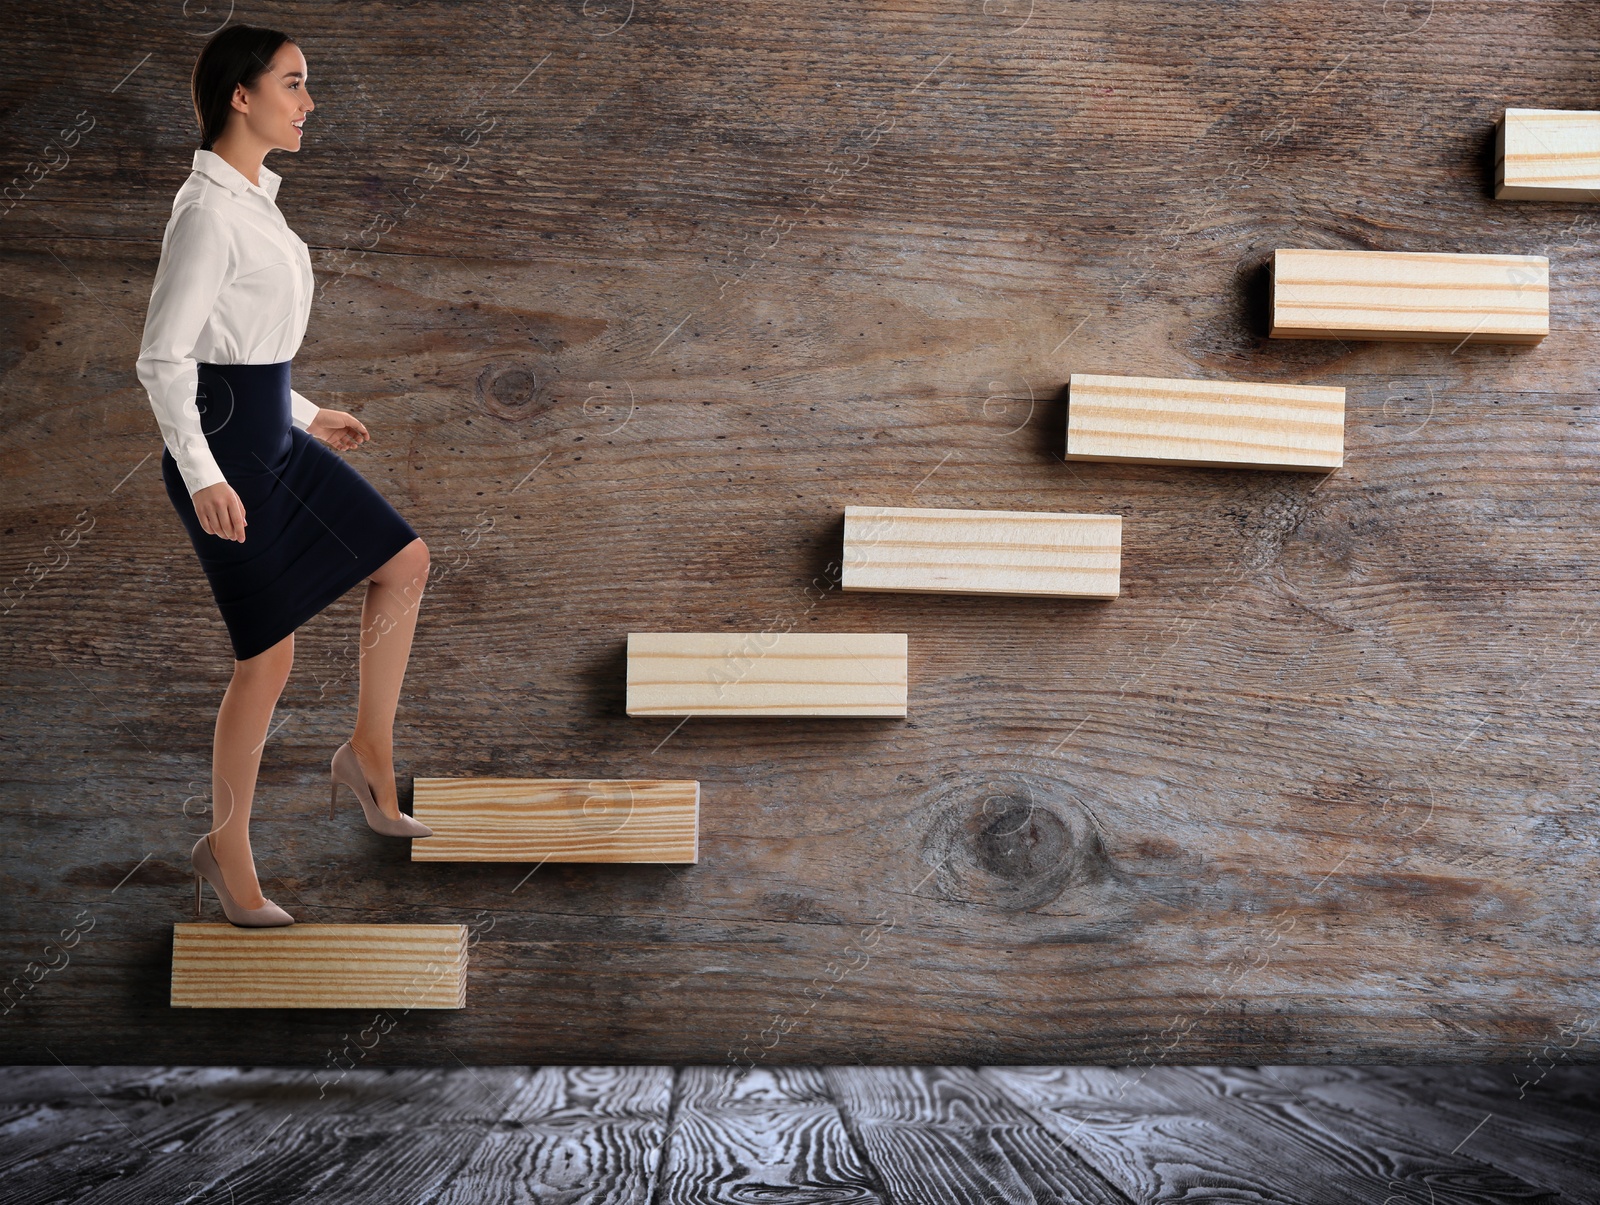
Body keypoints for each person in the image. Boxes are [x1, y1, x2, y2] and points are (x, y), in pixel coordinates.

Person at [137, 24, 434, 928]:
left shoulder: (255, 201)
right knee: (267, 660)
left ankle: (368, 756)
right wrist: (201, 477)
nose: (308, 104)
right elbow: (164, 360)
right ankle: (227, 854)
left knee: (405, 562)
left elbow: (244, 350)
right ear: (242, 94)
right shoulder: (208, 212)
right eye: (294, 85)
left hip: (269, 436)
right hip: (225, 458)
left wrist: (307, 413)